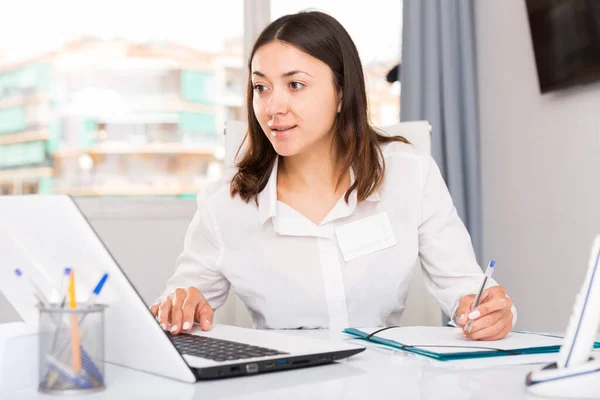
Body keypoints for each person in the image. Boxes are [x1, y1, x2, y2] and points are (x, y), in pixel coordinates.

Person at [150, 10, 516, 341]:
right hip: (282, 382)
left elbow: (466, 288)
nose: (273, 107)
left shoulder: (409, 173)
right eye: (261, 87)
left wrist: (486, 312)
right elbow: (181, 302)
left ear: (342, 93)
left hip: (388, 381)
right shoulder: (224, 203)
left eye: (295, 85)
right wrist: (181, 306)